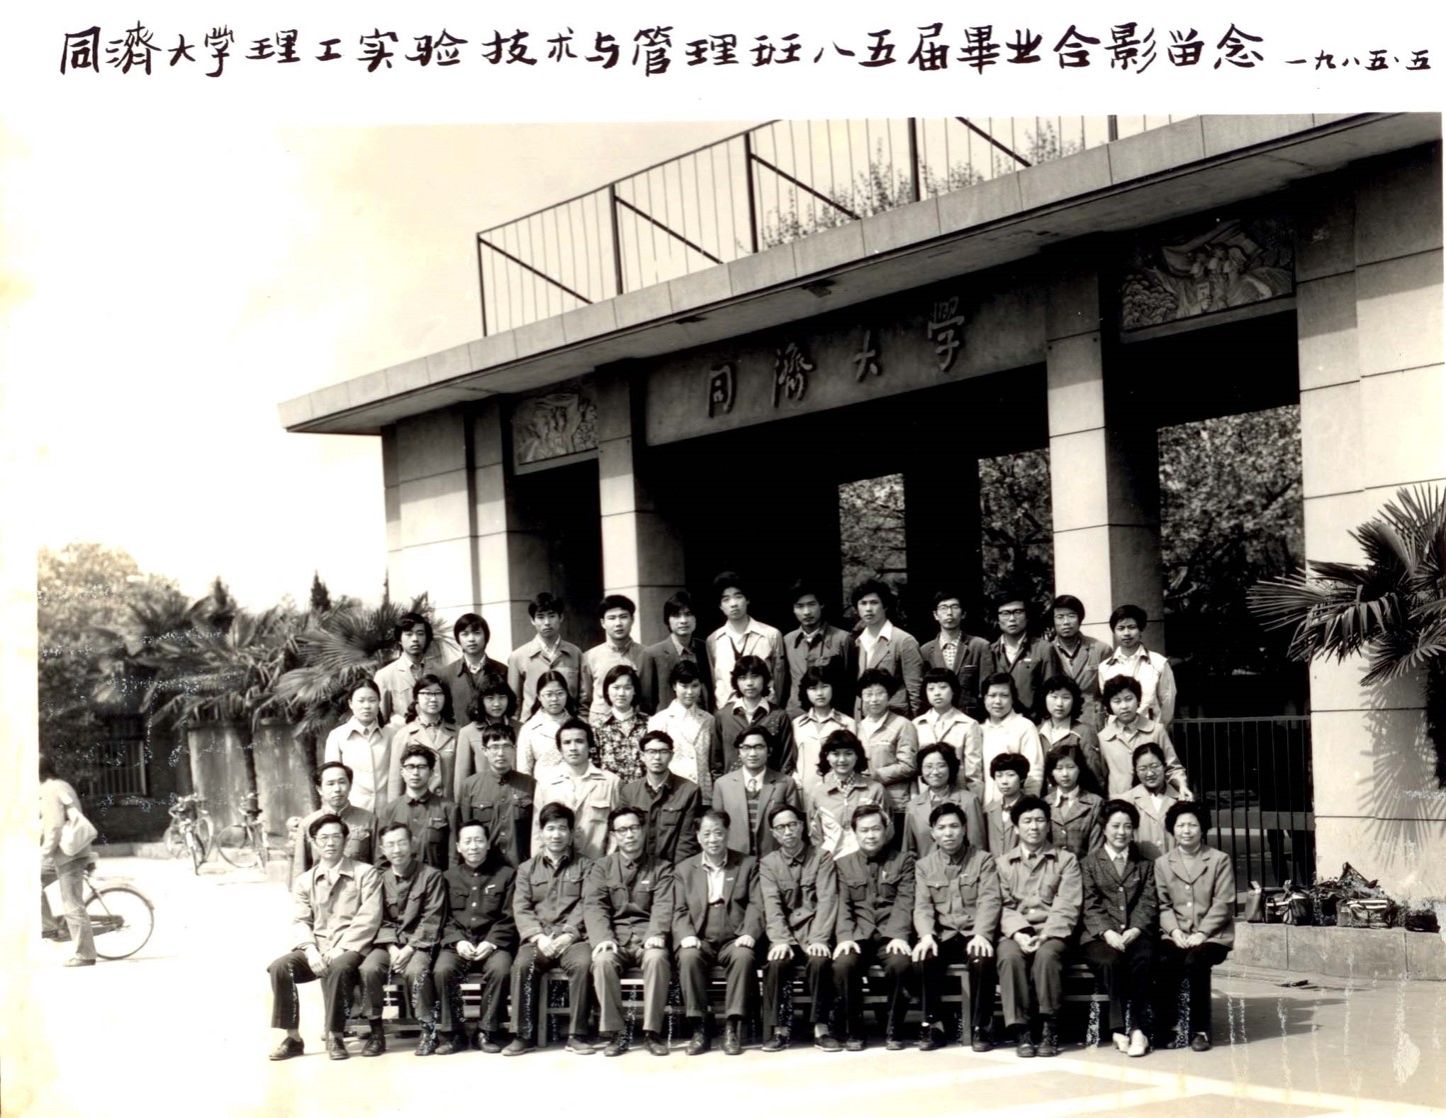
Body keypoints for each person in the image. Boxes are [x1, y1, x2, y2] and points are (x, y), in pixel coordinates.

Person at [267, 814, 382, 1061]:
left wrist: (341, 948)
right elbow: (301, 920)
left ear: (346, 840)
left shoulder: (366, 873)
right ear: (313, 842)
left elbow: (369, 917)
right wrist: (310, 950)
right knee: (281, 968)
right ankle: (293, 1038)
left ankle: (335, 1034)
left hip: (352, 948)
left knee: (338, 967)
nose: (330, 843)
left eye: (336, 837)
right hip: (317, 948)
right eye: (324, 838)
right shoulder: (304, 881)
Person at [994, 796, 1083, 1058]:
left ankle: (1048, 1026)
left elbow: (1067, 903)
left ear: (1048, 824)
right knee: (1008, 956)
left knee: (1047, 955)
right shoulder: (1003, 863)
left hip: (1052, 932)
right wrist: (1020, 933)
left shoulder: (1066, 860)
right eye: (1027, 821)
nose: (1034, 827)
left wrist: (1045, 934)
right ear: (1016, 827)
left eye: (1040, 820)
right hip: (1016, 932)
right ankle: (1021, 1029)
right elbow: (1002, 905)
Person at [911, 801, 1003, 1053]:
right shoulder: (924, 866)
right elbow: (922, 906)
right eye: (941, 828)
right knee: (923, 958)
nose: (948, 833)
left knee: (982, 959)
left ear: (964, 828)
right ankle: (933, 1025)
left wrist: (982, 934)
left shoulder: (983, 860)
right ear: (933, 832)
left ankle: (981, 1026)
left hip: (974, 932)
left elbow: (990, 900)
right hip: (943, 935)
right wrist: (926, 935)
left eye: (954, 826)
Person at [505, 802, 596, 1056]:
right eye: (551, 828)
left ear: (571, 833)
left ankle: (577, 1034)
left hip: (574, 940)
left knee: (583, 964)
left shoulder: (587, 866)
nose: (556, 835)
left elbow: (588, 903)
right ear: (541, 832)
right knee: (523, 965)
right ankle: (523, 1035)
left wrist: (569, 934)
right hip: (539, 939)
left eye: (562, 829)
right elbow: (521, 907)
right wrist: (538, 936)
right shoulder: (526, 869)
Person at [584, 806, 675, 1058]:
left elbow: (664, 904)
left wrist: (657, 933)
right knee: (602, 961)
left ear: (643, 830)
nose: (629, 834)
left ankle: (652, 1032)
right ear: (613, 835)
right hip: (617, 938)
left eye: (634, 828)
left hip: (648, 937)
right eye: (622, 830)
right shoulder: (602, 867)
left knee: (657, 958)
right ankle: (617, 1033)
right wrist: (603, 938)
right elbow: (594, 906)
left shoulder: (661, 867)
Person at [672, 809, 764, 1056]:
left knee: (743, 956)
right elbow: (679, 909)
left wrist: (749, 932)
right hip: (700, 936)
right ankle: (700, 1027)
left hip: (734, 935)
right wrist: (687, 935)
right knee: (688, 957)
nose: (713, 839)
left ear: (727, 833)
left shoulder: (747, 864)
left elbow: (757, 904)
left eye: (718, 833)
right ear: (698, 836)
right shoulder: (684, 869)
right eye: (707, 834)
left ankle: (732, 1027)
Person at [831, 802, 916, 1051]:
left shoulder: (904, 861)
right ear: (855, 833)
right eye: (864, 830)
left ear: (886, 829)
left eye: (876, 829)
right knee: (843, 965)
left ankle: (894, 1028)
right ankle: (855, 1029)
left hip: (890, 935)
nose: (870, 835)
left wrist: (899, 935)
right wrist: (845, 937)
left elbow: (905, 901)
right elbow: (843, 905)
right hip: (858, 935)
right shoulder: (843, 864)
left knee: (900, 964)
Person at [758, 803, 842, 1052]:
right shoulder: (768, 864)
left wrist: (819, 939)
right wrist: (781, 940)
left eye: (792, 825)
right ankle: (780, 1030)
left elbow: (827, 900)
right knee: (776, 963)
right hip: (787, 935)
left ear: (802, 826)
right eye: (781, 827)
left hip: (816, 932)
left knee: (820, 962)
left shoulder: (822, 857)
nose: (787, 831)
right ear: (773, 833)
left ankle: (821, 1029)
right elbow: (772, 905)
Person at [358, 823, 448, 1056]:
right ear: (382, 849)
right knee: (369, 968)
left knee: (416, 972)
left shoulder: (431, 876)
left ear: (412, 844)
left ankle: (428, 1031)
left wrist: (408, 949)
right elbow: (377, 917)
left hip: (420, 944)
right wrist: (391, 947)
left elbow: (432, 918)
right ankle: (376, 1032)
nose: (396, 850)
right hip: (388, 943)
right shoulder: (379, 878)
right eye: (390, 845)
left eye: (401, 843)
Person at [1079, 799, 1158, 1058]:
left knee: (1143, 958)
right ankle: (1118, 1028)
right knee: (1109, 961)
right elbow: (1090, 904)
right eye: (1115, 826)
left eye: (1127, 826)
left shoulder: (1144, 864)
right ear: (1104, 828)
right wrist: (1107, 932)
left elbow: (1148, 901)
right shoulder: (1089, 864)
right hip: (1099, 935)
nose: (1121, 832)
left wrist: (1136, 928)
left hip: (1135, 933)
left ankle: (1137, 1028)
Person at [1153, 802, 1235, 1052]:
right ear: (1173, 829)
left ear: (1202, 829)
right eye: (1181, 825)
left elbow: (1224, 902)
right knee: (1165, 959)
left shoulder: (1219, 860)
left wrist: (1202, 933)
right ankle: (1170, 1026)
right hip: (1176, 934)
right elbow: (1162, 904)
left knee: (1195, 961)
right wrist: (1174, 931)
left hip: (1212, 936)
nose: (1186, 831)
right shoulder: (1163, 863)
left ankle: (1199, 1030)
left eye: (1192, 825)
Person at [432, 820, 517, 1054]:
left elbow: (510, 916)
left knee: (501, 969)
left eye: (479, 840)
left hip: (493, 944)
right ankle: (453, 1033)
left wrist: (492, 942)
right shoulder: (447, 877)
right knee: (442, 970)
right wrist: (457, 940)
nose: (473, 846)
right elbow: (442, 917)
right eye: (467, 841)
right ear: (458, 847)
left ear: (488, 844)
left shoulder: (506, 875)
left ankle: (487, 1031)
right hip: (458, 944)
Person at [532, 718, 621, 861]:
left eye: (579, 741)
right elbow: (538, 831)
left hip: (597, 865)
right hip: (556, 867)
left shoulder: (611, 782)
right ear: (560, 749)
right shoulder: (546, 783)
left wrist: (609, 865)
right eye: (567, 742)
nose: (573, 748)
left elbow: (617, 831)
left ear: (590, 746)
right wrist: (539, 867)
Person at [711, 725, 803, 858]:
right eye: (746, 748)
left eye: (759, 747)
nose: (752, 753)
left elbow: (796, 828)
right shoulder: (722, 784)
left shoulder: (785, 783)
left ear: (769, 750)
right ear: (739, 752)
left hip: (775, 859)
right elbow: (717, 827)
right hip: (736, 861)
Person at [39, 756, 94, 966]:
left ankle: (85, 955)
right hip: (68, 851)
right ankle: (48, 927)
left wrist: (43, 852)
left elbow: (54, 826)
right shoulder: (61, 785)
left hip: (69, 854)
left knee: (72, 903)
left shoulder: (49, 790)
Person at [1098, 676, 1191, 798]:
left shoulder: (1156, 730)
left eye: (1128, 699)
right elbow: (1101, 776)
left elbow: (1172, 768)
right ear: (1109, 705)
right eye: (1117, 701)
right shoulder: (1103, 738)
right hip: (1119, 803)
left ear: (1138, 700)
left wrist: (1182, 785)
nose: (1124, 706)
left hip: (1154, 801)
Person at [621, 729, 703, 865]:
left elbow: (687, 841)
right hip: (637, 867)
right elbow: (624, 836)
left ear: (671, 755)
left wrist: (677, 873)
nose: (657, 757)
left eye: (663, 752)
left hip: (673, 868)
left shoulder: (689, 790)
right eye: (651, 752)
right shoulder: (629, 792)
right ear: (642, 756)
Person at [705, 571, 786, 709]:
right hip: (727, 715)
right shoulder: (713, 640)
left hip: (765, 713)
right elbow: (715, 683)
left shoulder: (771, 635)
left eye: (738, 596)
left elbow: (779, 680)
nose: (733, 604)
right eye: (726, 599)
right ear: (720, 606)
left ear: (747, 599)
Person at [373, 744, 460, 871]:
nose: (415, 773)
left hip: (437, 880)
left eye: (421, 767)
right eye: (410, 767)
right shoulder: (389, 811)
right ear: (402, 772)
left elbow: (454, 858)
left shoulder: (448, 809)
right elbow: (381, 860)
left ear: (431, 772)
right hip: (399, 881)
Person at [456, 725, 534, 867]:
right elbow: (465, 831)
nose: (501, 753)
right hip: (486, 869)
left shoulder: (530, 784)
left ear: (514, 749)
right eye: (494, 747)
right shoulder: (469, 786)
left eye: (506, 746)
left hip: (521, 866)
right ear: (485, 751)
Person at [855, 668, 919, 840]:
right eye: (868, 694)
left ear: (889, 695)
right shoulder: (857, 727)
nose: (873, 699)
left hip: (895, 802)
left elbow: (909, 765)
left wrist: (876, 775)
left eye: (879, 693)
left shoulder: (903, 725)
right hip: (865, 802)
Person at [848, 579, 923, 717]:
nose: (868, 609)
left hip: (895, 718)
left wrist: (916, 722)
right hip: (863, 720)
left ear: (885, 606)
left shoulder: (903, 640)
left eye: (874, 602)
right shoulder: (855, 642)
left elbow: (915, 691)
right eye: (863, 603)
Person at [711, 654, 796, 776]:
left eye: (755, 676)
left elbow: (786, 763)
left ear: (765, 679)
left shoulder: (779, 716)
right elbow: (716, 763)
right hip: (732, 785)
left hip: (770, 785)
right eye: (743, 678)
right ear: (736, 681)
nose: (749, 683)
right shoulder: (723, 716)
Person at [810, 729, 888, 860]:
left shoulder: (875, 789)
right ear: (827, 756)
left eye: (848, 753)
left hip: (869, 863)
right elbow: (816, 837)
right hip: (831, 863)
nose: (842, 759)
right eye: (835, 754)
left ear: (857, 755)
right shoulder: (818, 793)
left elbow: (888, 832)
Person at [781, 578, 852, 717]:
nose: (806, 612)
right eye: (800, 606)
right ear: (793, 609)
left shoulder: (842, 639)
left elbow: (850, 682)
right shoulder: (787, 641)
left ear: (821, 605)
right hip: (796, 715)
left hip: (832, 714)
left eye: (811, 605)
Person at [1098, 604, 1178, 727]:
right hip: (1117, 733)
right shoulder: (1105, 668)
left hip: (1150, 731)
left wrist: (1159, 730)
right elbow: (1108, 705)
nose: (1126, 633)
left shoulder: (1158, 663)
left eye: (1131, 627)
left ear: (1140, 629)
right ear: (1114, 631)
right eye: (1121, 628)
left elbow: (1168, 702)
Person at [645, 659, 715, 800]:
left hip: (703, 793)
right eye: (684, 686)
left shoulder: (709, 720)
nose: (690, 692)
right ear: (674, 686)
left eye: (695, 686)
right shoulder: (659, 720)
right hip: (671, 794)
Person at [293, 761, 375, 880]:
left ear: (350, 785)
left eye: (342, 782)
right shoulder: (307, 824)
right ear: (319, 789)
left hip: (360, 887)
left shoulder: (369, 820)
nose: (337, 789)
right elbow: (300, 870)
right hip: (321, 888)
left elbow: (379, 864)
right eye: (330, 784)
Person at [579, 594, 654, 724]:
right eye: (612, 618)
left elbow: (649, 697)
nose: (618, 623)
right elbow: (585, 701)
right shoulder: (590, 657)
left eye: (623, 617)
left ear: (632, 619)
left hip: (637, 725)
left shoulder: (647, 654)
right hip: (599, 726)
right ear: (603, 623)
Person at [323, 679, 396, 813]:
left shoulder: (392, 735)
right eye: (361, 701)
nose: (366, 706)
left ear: (379, 702)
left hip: (387, 810)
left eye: (372, 700)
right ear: (351, 703)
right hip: (351, 811)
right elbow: (331, 777)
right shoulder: (337, 736)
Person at [1039, 595, 1111, 730]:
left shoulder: (1101, 649)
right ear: (1053, 621)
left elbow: (1109, 693)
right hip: (1058, 721)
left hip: (1092, 721)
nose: (1066, 622)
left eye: (1071, 616)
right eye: (1060, 617)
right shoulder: (1045, 651)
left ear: (1080, 619)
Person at [791, 666, 856, 814]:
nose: (819, 693)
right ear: (805, 691)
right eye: (813, 688)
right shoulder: (796, 725)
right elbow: (792, 761)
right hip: (804, 795)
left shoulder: (848, 724)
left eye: (824, 687)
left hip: (839, 796)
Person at [506, 593, 582, 718]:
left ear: (561, 617)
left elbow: (583, 699)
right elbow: (514, 704)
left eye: (552, 616)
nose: (547, 622)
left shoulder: (575, 653)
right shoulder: (518, 657)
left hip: (568, 724)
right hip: (531, 724)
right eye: (540, 617)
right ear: (532, 620)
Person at [901, 743, 985, 856]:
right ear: (921, 770)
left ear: (951, 768)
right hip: (925, 867)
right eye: (929, 766)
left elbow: (978, 847)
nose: (935, 772)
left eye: (941, 766)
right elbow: (908, 852)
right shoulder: (913, 806)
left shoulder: (969, 801)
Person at [919, 590, 992, 720]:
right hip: (939, 717)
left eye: (954, 607)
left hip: (972, 716)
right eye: (943, 608)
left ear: (963, 614)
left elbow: (987, 689)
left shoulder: (979, 646)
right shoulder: (925, 650)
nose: (949, 612)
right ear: (935, 615)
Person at [385, 674, 458, 800]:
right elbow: (395, 783)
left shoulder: (457, 733)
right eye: (427, 693)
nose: (433, 699)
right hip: (416, 806)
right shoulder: (404, 735)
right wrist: (396, 809)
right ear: (416, 697)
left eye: (438, 693)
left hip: (449, 805)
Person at [643, 590, 715, 715]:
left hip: (703, 720)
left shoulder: (705, 648)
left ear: (696, 618)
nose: (683, 620)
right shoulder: (653, 654)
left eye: (688, 614)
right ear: (667, 620)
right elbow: (646, 702)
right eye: (676, 615)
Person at [979, 672, 1045, 805]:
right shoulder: (978, 729)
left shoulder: (1024, 726)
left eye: (1004, 695)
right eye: (992, 695)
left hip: (1016, 806)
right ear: (984, 698)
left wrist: (1027, 806)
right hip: (984, 805)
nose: (997, 701)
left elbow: (1034, 771)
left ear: (1013, 698)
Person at [913, 666, 984, 789]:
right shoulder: (917, 724)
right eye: (931, 689)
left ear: (953, 690)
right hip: (925, 794)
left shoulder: (969, 725)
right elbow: (913, 767)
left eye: (943, 687)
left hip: (958, 792)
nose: (937, 693)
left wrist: (972, 798)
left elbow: (973, 773)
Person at [452, 674, 523, 792]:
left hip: (517, 795)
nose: (497, 703)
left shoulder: (521, 728)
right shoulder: (468, 732)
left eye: (502, 697)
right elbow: (462, 779)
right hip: (483, 796)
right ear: (481, 700)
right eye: (490, 698)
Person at [983, 593, 1049, 719]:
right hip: (997, 721)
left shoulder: (1043, 649)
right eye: (1005, 613)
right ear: (997, 619)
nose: (1012, 618)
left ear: (1027, 616)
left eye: (1018, 612)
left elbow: (1051, 690)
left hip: (1034, 720)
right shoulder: (989, 651)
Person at [1037, 673, 1107, 791]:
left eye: (1066, 697)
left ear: (1074, 700)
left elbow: (1094, 775)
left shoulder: (1084, 732)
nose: (1059, 704)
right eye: (1054, 697)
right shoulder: (1037, 731)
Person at [446, 612, 510, 732]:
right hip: (458, 736)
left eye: (477, 633)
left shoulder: (502, 671)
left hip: (495, 736)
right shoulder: (447, 674)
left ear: (486, 636)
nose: (471, 639)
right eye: (465, 634)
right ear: (458, 638)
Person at [376, 612, 442, 726]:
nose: (415, 639)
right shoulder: (385, 675)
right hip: (401, 734)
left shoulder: (440, 671)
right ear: (399, 639)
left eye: (420, 633)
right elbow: (381, 719)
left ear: (427, 637)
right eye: (409, 634)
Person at [1042, 742, 1104, 858]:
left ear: (1079, 769)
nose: (1065, 774)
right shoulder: (1044, 803)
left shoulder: (1095, 803)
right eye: (1059, 768)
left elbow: (1096, 849)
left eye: (1070, 767)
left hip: (1084, 867)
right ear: (1051, 772)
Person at [514, 670, 574, 785]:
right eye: (549, 694)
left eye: (560, 693)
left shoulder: (577, 725)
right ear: (539, 697)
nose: (554, 699)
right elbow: (524, 771)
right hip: (543, 789)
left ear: (567, 694)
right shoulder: (529, 729)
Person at [1122, 742, 1179, 860]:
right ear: (1136, 771)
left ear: (1164, 766)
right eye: (1143, 768)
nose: (1150, 773)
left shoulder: (1181, 799)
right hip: (1140, 869)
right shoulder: (1126, 801)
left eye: (1154, 766)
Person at [593, 663, 649, 782]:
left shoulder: (648, 723)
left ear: (635, 691)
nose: (621, 693)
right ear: (607, 690)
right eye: (616, 687)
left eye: (627, 688)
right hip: (611, 790)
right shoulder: (597, 727)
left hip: (642, 790)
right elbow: (594, 765)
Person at [984, 753, 1029, 856]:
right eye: (999, 776)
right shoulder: (989, 811)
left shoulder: (1032, 809)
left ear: (1022, 778)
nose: (1004, 781)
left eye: (1010, 775)